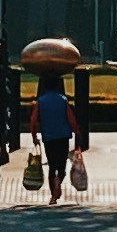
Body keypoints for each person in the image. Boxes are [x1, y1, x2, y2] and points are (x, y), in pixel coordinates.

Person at [33, 70, 74, 203]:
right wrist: (77, 132)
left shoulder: (40, 101)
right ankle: (59, 180)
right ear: (57, 86)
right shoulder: (63, 100)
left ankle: (53, 196)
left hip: (49, 137)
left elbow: (33, 120)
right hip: (63, 136)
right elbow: (71, 118)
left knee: (52, 165)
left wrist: (34, 136)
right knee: (62, 165)